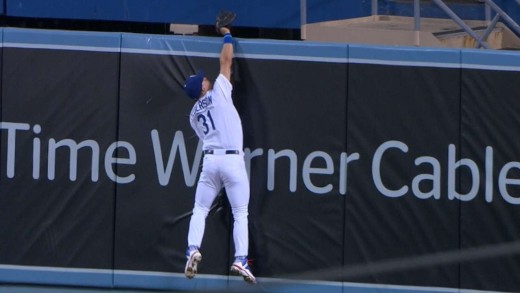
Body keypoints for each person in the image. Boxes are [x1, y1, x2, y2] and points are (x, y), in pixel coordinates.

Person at [182, 26, 256, 284]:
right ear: (201, 88)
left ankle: (192, 249)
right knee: (240, 212)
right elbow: (225, 60)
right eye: (202, 80)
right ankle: (241, 258)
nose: (205, 79)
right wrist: (227, 35)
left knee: (200, 209)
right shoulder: (219, 92)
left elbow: (206, 137)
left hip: (211, 160)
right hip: (232, 160)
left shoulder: (192, 116)